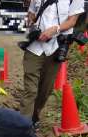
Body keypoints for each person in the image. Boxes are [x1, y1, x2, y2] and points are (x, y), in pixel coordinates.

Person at [19, 0, 84, 128]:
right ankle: (23, 125)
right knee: (30, 90)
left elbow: (72, 21)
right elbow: (31, 13)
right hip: (34, 46)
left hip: (55, 48)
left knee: (45, 89)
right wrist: (31, 22)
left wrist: (55, 29)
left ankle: (34, 116)